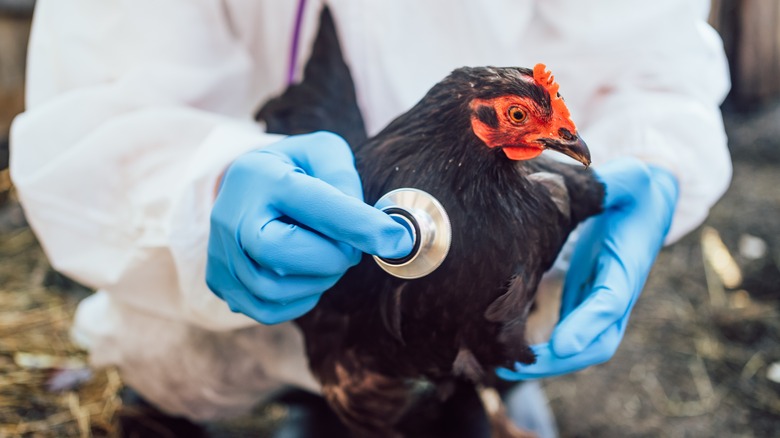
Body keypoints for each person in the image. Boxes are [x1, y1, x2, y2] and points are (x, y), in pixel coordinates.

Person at [10, 0, 731, 435]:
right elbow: (99, 90)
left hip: (487, 250)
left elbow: (644, 50)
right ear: (481, 118)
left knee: (510, 293)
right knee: (197, 331)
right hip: (270, 154)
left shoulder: (535, 169)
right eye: (515, 117)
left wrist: (652, 160)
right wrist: (203, 187)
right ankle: (267, 400)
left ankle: (485, 388)